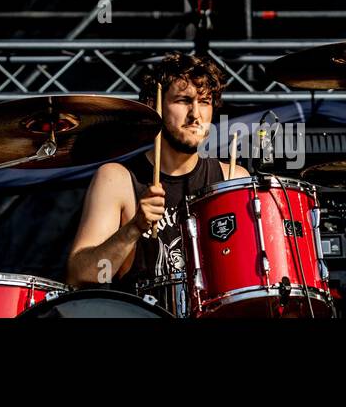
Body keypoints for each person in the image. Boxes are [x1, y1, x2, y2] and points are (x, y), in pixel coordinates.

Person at [66, 52, 248, 290]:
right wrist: (134, 228)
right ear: (155, 105)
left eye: (204, 102)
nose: (196, 115)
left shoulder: (232, 178)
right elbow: (80, 275)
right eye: (183, 100)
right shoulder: (117, 178)